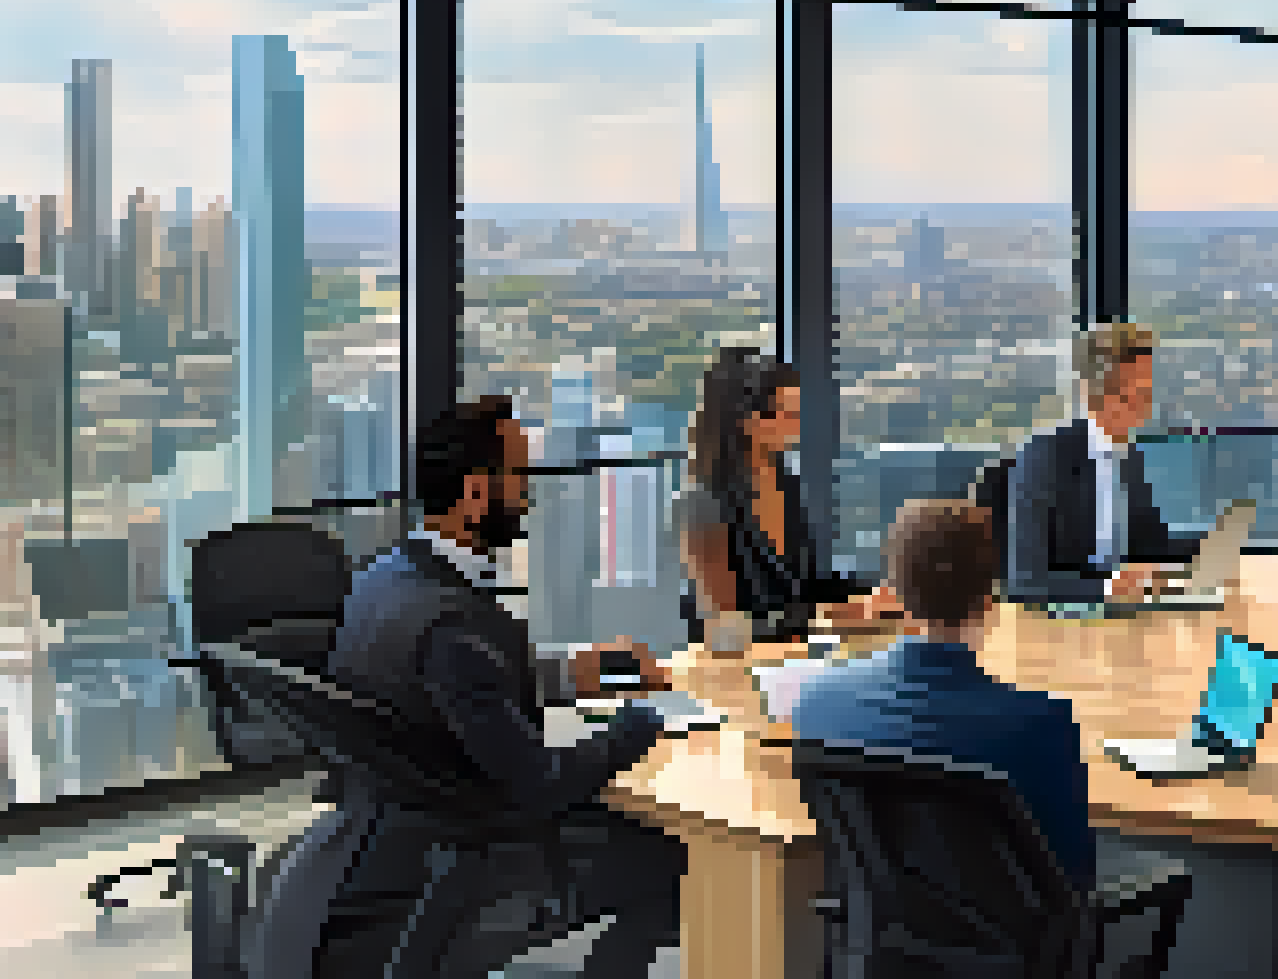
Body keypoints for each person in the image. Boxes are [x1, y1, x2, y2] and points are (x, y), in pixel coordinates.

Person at [260, 395, 685, 979]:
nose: (528, 494)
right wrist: (637, 727)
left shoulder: (387, 576)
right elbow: (540, 782)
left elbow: (448, 688)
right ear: (476, 492)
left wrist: (571, 674)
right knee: (677, 854)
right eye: (518, 475)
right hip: (477, 846)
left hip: (397, 837)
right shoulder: (456, 623)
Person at [780, 499, 1097, 888]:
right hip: (1009, 939)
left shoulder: (814, 703)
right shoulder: (1040, 724)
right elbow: (1075, 873)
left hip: (875, 935)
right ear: (989, 601)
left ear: (892, 595)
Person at [684, 346, 890, 648]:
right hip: (741, 667)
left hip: (796, 656)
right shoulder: (703, 504)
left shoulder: (785, 482)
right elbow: (725, 630)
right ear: (748, 421)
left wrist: (872, 595)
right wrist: (824, 617)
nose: (797, 423)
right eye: (788, 413)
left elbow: (803, 585)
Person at [1005, 321, 1201, 605]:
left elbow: (1149, 542)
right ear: (1093, 395)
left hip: (1126, 614)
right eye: (1133, 396)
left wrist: (1204, 550)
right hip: (1064, 623)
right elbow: (1026, 581)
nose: (1144, 408)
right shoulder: (1044, 459)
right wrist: (1108, 588)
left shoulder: (1128, 455)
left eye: (1147, 393)